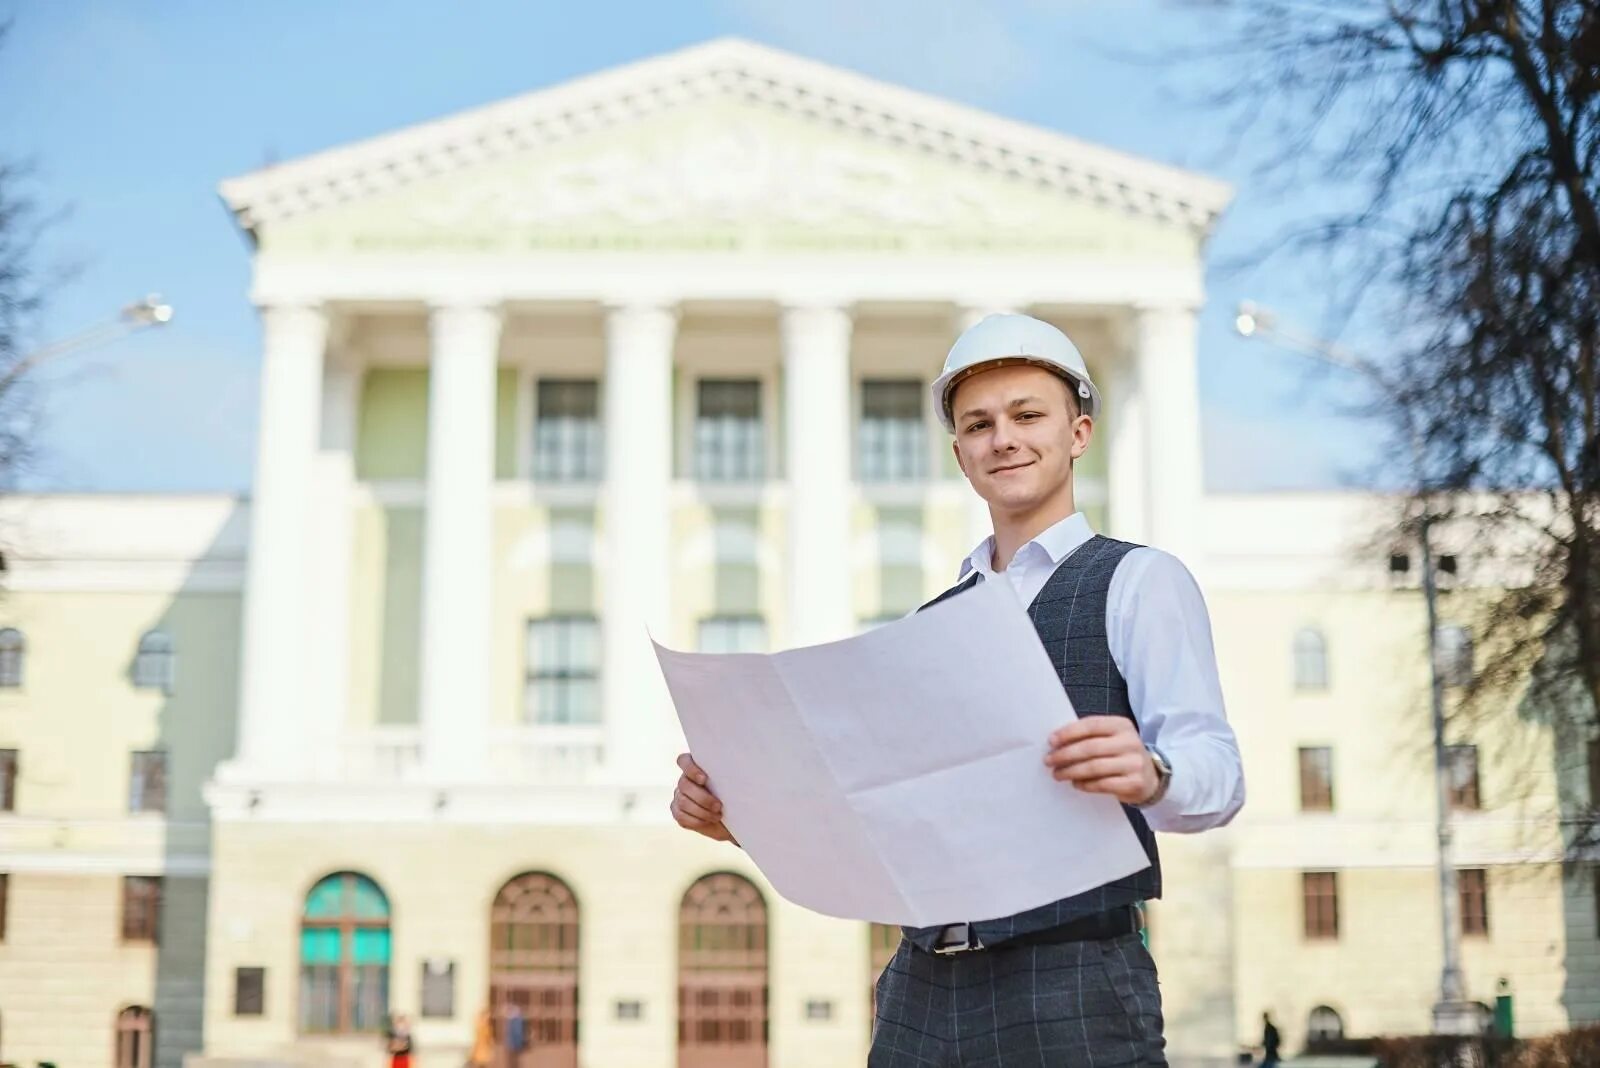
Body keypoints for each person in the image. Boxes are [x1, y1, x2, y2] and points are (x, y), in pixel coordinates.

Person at [672, 313, 1245, 1066]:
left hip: (1069, 980)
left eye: (1026, 415)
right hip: (919, 990)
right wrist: (741, 817)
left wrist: (1153, 772)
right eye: (979, 424)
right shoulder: (934, 621)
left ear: (1079, 433)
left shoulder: (1138, 582)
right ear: (960, 454)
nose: (1002, 437)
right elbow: (881, 810)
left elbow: (1219, 771)